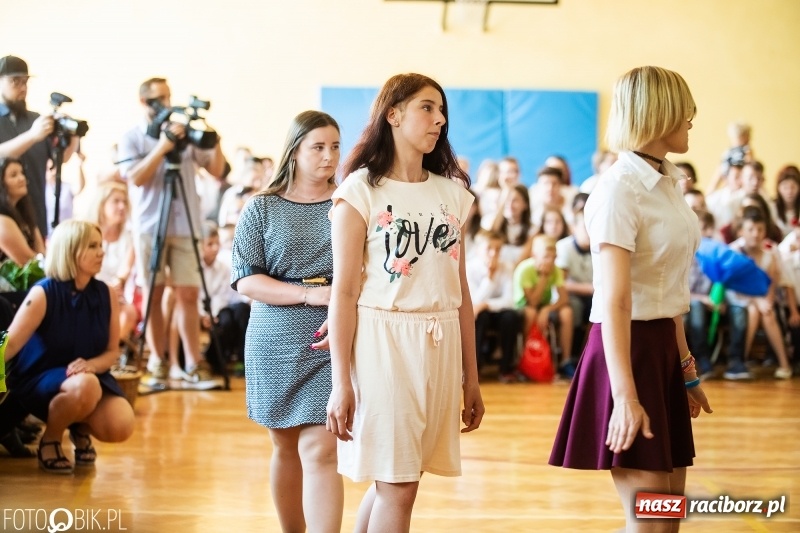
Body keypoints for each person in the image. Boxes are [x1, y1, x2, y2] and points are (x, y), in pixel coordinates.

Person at [549, 66, 712, 533]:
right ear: (658, 114)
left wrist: (685, 368)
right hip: (627, 351)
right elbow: (616, 300)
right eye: (685, 110)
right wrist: (625, 396)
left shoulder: (667, 182)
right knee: (649, 521)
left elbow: (670, 287)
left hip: (661, 348)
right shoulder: (618, 190)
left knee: (667, 518)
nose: (692, 119)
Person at [326, 73, 484, 533]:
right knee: (399, 485)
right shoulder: (359, 192)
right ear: (392, 115)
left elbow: (462, 295)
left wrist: (470, 378)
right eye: (426, 108)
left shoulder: (454, 194)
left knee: (398, 477)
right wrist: (341, 382)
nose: (439, 120)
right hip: (382, 342)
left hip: (440, 341)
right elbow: (345, 293)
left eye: (442, 111)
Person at [230, 110, 343, 532]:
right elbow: (244, 279)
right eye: (318, 147)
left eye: (334, 146)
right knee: (284, 444)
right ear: (294, 151)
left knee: (321, 448)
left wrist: (339, 305)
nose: (329, 156)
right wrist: (308, 294)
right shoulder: (261, 207)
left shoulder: (348, 201)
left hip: (331, 334)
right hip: (273, 335)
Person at [117, 77, 227, 385]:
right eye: (158, 99)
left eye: (168, 97)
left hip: (186, 223)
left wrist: (211, 138)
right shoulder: (133, 137)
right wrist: (163, 146)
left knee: (189, 293)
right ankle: (157, 363)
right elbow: (135, 177)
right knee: (154, 294)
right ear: (144, 102)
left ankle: (192, 365)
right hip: (149, 226)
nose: (165, 104)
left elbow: (217, 170)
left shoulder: (184, 134)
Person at [4, 220, 135, 473]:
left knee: (121, 424)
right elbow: (10, 343)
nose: (101, 252)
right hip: (40, 377)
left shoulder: (106, 293)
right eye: (93, 246)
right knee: (86, 385)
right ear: (71, 250)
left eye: (101, 245)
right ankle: (51, 440)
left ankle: (79, 428)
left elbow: (111, 352)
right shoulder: (44, 292)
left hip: (87, 377)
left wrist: (91, 365)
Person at [0, 56, 78, 237]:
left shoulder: (36, 120)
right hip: (4, 216)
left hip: (36, 213)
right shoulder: (36, 128)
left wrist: (73, 138)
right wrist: (32, 136)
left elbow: (60, 159)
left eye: (25, 82)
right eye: (15, 81)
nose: (22, 88)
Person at [83, 181, 138, 341]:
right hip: (89, 289)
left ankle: (107, 350)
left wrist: (118, 283)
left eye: (124, 202)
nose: (122, 206)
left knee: (128, 313)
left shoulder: (129, 235)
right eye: (116, 201)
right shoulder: (88, 232)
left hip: (116, 292)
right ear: (102, 204)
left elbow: (126, 268)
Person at [513, 234, 573, 377]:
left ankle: (565, 360)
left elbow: (564, 298)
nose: (550, 261)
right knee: (531, 313)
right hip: (524, 306)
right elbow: (532, 301)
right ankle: (525, 360)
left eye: (554, 257)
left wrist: (547, 309)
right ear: (535, 255)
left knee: (567, 312)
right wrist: (544, 277)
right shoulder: (525, 269)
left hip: (543, 306)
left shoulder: (556, 270)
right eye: (546, 257)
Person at [466, 231, 521, 382]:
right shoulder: (469, 268)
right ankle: (474, 370)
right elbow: (474, 301)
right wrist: (489, 278)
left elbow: (510, 300)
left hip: (496, 311)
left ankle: (506, 368)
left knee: (511, 317)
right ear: (478, 250)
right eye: (489, 248)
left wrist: (486, 305)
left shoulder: (507, 267)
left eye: (498, 249)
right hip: (479, 313)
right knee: (479, 318)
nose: (493, 253)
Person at [198, 221, 249, 375]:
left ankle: (241, 359)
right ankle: (215, 358)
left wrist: (213, 314)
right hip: (200, 311)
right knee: (226, 319)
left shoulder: (222, 269)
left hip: (218, 309)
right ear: (200, 246)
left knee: (236, 313)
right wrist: (203, 316)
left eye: (217, 243)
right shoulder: (195, 269)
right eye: (210, 244)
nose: (215, 248)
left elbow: (226, 295)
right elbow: (193, 297)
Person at [0, 157, 45, 266]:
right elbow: (27, 261)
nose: (22, 178)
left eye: (22, 173)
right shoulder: (2, 220)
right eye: (14, 175)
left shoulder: (25, 213)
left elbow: (41, 253)